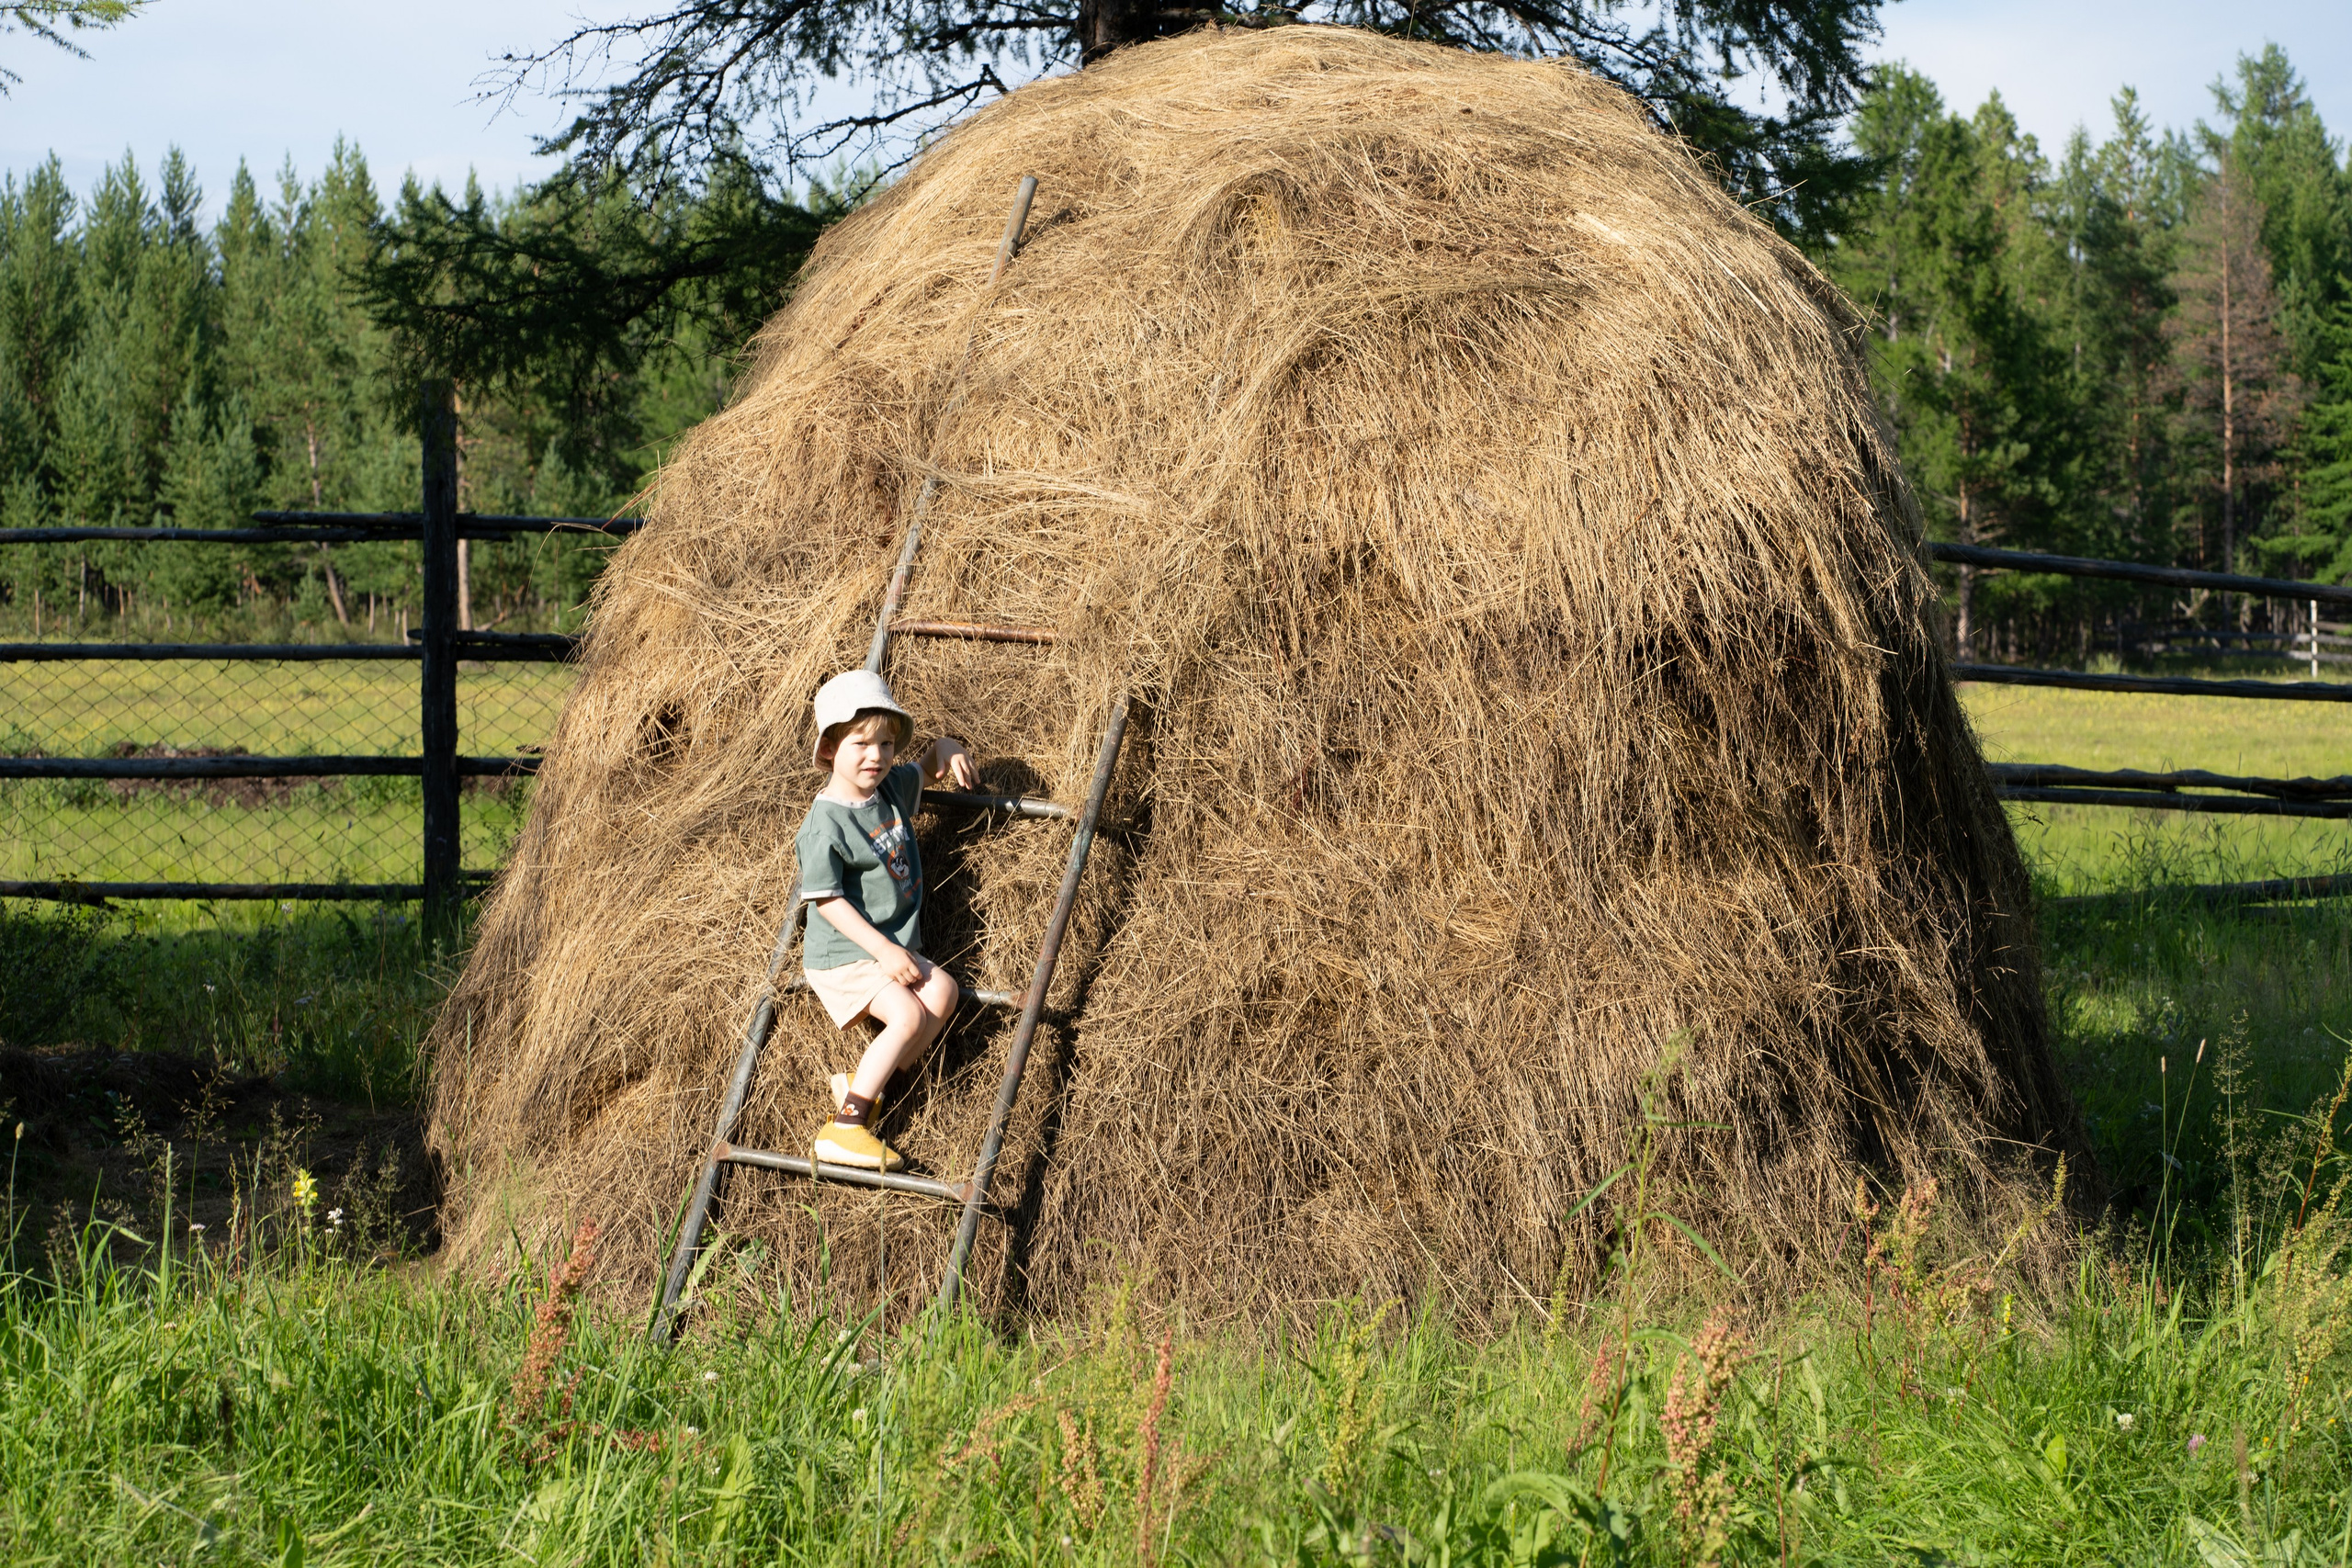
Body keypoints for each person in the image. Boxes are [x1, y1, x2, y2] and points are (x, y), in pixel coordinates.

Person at [795, 670, 974, 1170]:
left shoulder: (888, 790)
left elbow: (930, 764)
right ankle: (845, 1128)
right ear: (830, 749)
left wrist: (947, 746)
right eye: (861, 743)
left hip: (885, 945)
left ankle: (861, 1087)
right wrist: (886, 952)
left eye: (886, 743)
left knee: (943, 993)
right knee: (909, 1015)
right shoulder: (825, 824)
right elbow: (826, 902)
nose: (877, 755)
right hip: (846, 953)